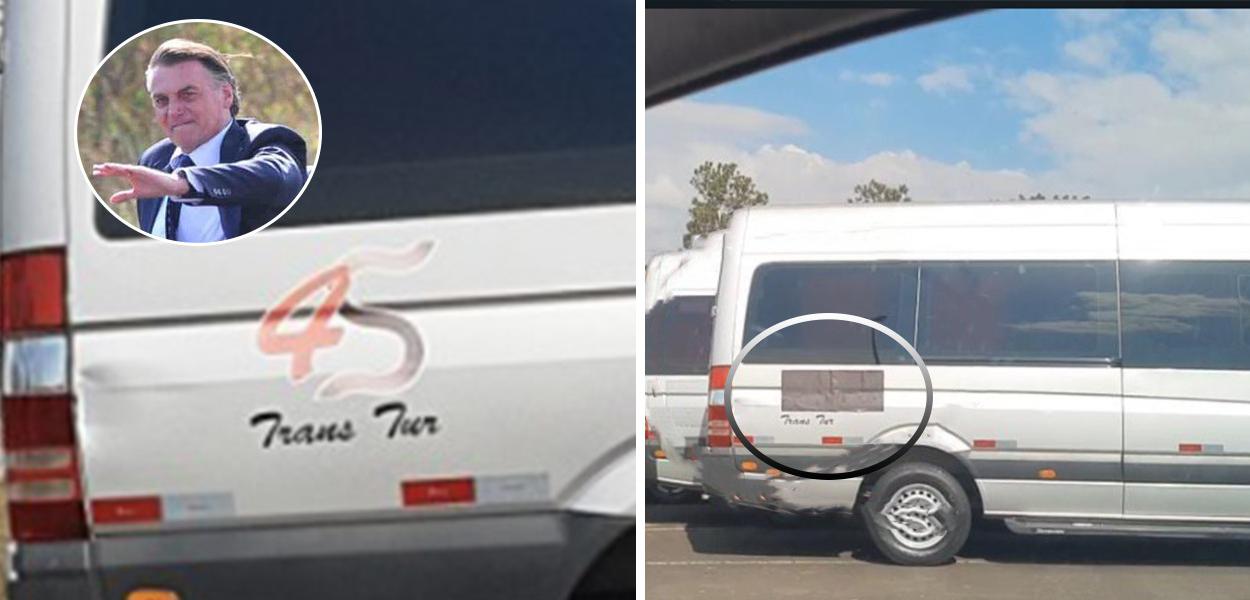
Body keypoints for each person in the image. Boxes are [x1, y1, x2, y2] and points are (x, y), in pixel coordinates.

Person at [92, 38, 308, 242]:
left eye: (188, 95)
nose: (174, 111)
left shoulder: (264, 141)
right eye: (161, 100)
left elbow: (278, 177)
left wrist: (184, 184)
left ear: (226, 95)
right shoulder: (153, 161)